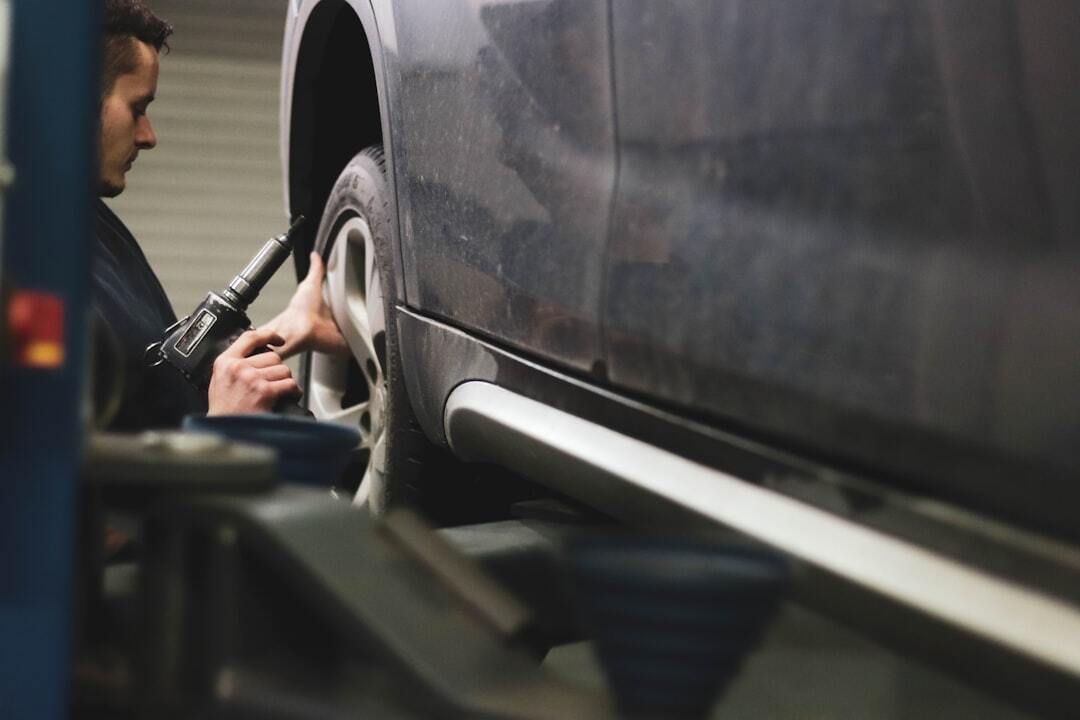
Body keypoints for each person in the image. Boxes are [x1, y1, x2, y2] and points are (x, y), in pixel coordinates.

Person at [92, 0, 344, 430]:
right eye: (137, 108)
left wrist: (288, 328)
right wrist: (225, 423)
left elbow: (151, 391)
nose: (148, 136)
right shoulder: (22, 258)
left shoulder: (94, 227)